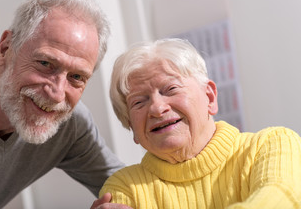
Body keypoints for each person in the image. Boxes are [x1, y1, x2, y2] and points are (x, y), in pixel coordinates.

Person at [0, 0, 125, 209]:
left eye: (77, 77)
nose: (57, 95)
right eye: (45, 63)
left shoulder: (71, 123)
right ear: (6, 48)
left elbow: (129, 188)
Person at [99, 38, 301, 208]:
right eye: (139, 102)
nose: (157, 108)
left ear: (210, 97)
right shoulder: (124, 188)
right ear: (130, 125)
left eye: (171, 89)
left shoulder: (272, 144)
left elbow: (278, 200)